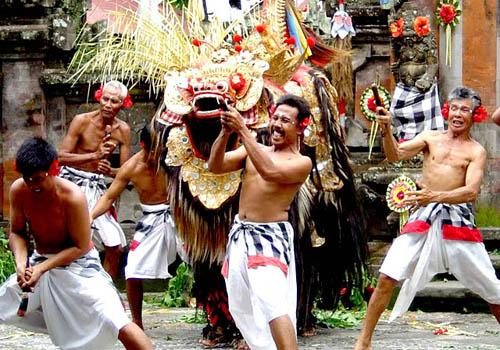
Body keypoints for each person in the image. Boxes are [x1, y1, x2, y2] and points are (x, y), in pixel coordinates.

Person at [354, 86, 500, 350]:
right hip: (423, 217)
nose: (457, 114)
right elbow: (394, 154)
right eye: (454, 108)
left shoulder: (476, 151)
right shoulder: (430, 138)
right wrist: (386, 129)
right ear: (446, 111)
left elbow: (470, 192)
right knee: (387, 275)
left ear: (474, 115)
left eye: (464, 110)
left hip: (457, 222)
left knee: (492, 289)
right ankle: (363, 342)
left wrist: (433, 196)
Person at [0, 137, 153, 350]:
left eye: (37, 179)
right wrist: (21, 264)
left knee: (116, 320)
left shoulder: (72, 196)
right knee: (3, 302)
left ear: (52, 170)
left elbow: (81, 246)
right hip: (39, 261)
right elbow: (17, 232)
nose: (32, 185)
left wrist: (41, 269)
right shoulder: (19, 190)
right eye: (27, 179)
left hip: (80, 264)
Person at [208, 94, 313, 350]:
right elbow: (215, 165)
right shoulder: (255, 150)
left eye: (285, 120)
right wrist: (225, 133)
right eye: (275, 117)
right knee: (240, 305)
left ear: (300, 126)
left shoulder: (301, 163)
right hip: (241, 236)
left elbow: (270, 172)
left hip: (269, 238)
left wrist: (243, 129)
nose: (276, 124)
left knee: (272, 302)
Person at [91, 124, 184, 329]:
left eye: (163, 149)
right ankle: (137, 324)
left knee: (205, 265)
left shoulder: (173, 160)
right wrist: (89, 217)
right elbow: (108, 197)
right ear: (143, 145)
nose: (159, 154)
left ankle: (218, 319)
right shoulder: (132, 168)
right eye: (155, 150)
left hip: (180, 216)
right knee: (132, 270)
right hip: (151, 221)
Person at [58, 80, 132, 279]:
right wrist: (94, 156)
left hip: (97, 188)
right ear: (99, 97)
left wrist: (110, 170)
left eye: (114, 101)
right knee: (69, 241)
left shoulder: (122, 130)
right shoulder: (81, 121)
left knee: (115, 246)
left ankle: (106, 291)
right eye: (105, 99)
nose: (108, 104)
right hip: (71, 183)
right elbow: (61, 157)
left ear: (123, 104)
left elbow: (125, 172)